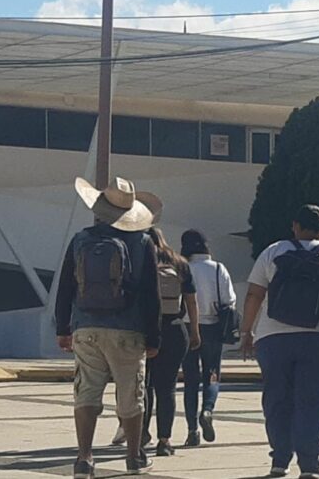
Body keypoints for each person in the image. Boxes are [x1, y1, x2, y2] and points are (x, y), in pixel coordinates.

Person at [239, 204, 319, 479]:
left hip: (273, 338)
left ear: (295, 226)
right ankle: (310, 464)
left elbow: (254, 295)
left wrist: (246, 331)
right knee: (312, 401)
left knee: (276, 399)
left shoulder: (273, 252)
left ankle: (279, 461)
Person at [55, 177, 162, 478]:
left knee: (86, 392)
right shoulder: (142, 242)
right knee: (131, 393)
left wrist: (63, 327)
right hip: (128, 330)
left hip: (86, 327)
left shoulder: (80, 240)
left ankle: (84, 459)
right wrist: (153, 337)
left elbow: (65, 286)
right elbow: (151, 295)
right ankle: (133, 456)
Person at [143, 228, 202, 457]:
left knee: (143, 387)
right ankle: (164, 440)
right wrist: (194, 331)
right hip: (176, 329)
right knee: (166, 387)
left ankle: (140, 435)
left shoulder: (141, 262)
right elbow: (191, 301)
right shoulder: (180, 263)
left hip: (146, 330)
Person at [180, 229, 237, 447]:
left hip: (187, 327)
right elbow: (229, 299)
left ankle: (192, 430)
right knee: (212, 373)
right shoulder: (218, 269)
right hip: (213, 327)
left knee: (190, 380)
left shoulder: (183, 268)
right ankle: (208, 409)